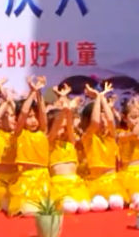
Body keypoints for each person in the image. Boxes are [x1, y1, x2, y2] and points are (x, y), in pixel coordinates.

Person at [80, 82, 128, 212]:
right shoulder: (88, 137)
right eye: (100, 115)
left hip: (112, 180)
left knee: (116, 204)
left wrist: (102, 98)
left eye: (104, 116)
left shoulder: (111, 136)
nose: (103, 119)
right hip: (95, 181)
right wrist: (98, 98)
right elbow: (95, 122)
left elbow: (111, 120)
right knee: (99, 205)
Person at [7, 76, 50, 216]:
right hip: (26, 179)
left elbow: (43, 113)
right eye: (30, 117)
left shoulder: (42, 131)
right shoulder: (20, 133)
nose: (34, 121)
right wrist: (32, 93)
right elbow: (24, 113)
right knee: (29, 211)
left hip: (43, 178)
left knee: (46, 209)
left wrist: (38, 92)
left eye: (35, 117)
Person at [47, 84, 91, 214]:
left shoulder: (71, 141)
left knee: (84, 207)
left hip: (75, 183)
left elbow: (70, 126)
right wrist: (65, 110)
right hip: (58, 185)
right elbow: (56, 127)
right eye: (62, 128)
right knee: (69, 208)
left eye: (66, 128)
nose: (64, 130)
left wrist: (69, 108)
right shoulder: (50, 141)